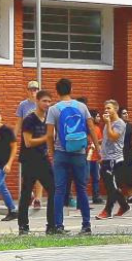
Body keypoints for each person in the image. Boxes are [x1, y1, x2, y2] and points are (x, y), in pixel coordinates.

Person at [46, 79, 100, 235]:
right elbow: (90, 127)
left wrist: (52, 153)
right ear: (71, 89)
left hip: (61, 154)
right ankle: (86, 225)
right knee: (82, 189)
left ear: (57, 91)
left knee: (59, 190)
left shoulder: (54, 109)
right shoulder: (81, 106)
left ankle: (58, 225)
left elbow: (50, 134)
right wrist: (98, 148)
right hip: (79, 153)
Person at [18, 90, 56, 235]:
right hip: (29, 160)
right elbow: (28, 142)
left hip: (43, 159)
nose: (47, 104)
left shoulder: (48, 118)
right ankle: (23, 226)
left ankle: (51, 226)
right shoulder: (29, 119)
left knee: (53, 189)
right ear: (37, 101)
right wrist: (46, 138)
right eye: (44, 101)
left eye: (49, 101)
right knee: (26, 193)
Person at [95, 100, 132, 220]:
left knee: (111, 186)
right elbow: (106, 140)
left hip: (114, 159)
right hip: (106, 158)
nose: (106, 110)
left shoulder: (119, 123)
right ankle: (124, 205)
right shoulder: (108, 123)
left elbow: (113, 137)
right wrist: (101, 154)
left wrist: (108, 123)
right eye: (105, 108)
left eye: (109, 108)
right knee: (111, 186)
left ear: (116, 109)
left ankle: (107, 211)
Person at [14, 80, 43, 210]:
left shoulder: (42, 104)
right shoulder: (23, 105)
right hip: (27, 141)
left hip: (40, 141)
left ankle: (38, 198)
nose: (33, 91)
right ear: (27, 91)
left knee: (39, 171)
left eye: (35, 89)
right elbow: (19, 122)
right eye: (31, 89)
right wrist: (12, 137)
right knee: (27, 171)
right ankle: (29, 194)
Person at [119, 107, 132, 204]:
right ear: (120, 115)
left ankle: (130, 196)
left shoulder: (131, 126)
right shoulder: (117, 126)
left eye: (127, 113)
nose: (126, 115)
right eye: (124, 113)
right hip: (119, 153)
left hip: (128, 153)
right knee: (119, 175)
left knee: (129, 175)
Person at [87, 109, 104, 204]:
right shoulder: (87, 128)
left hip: (95, 158)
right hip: (88, 157)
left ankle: (96, 196)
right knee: (85, 178)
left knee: (96, 178)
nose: (99, 118)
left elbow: (100, 141)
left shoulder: (98, 129)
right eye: (97, 116)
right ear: (92, 117)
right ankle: (83, 197)